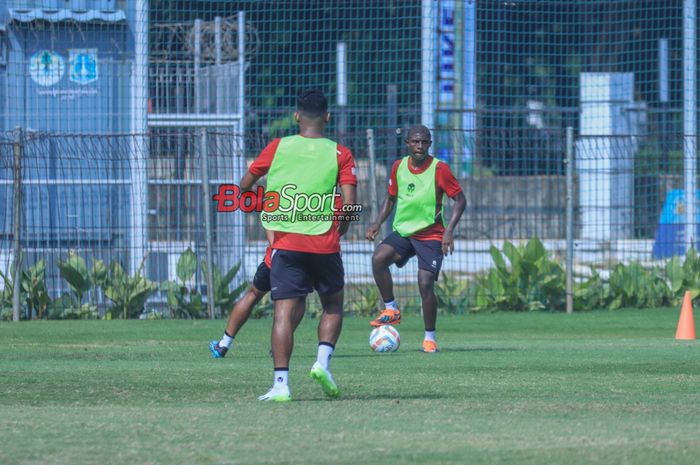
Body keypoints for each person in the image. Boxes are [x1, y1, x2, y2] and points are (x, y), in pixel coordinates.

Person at [239, 89, 357, 402]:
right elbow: (348, 204)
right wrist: (340, 229)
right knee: (332, 306)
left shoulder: (277, 147)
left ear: (296, 116)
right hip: (324, 244)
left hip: (286, 244)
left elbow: (244, 186)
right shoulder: (340, 153)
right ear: (327, 117)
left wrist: (267, 201)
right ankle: (322, 363)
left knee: (283, 314)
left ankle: (281, 385)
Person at [366, 124, 466, 353]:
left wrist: (448, 231)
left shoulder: (440, 169)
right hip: (404, 233)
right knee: (378, 258)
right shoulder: (398, 167)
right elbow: (390, 198)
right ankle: (391, 309)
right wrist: (377, 222)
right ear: (408, 143)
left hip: (431, 235)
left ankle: (429, 338)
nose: (420, 146)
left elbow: (461, 201)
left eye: (424, 142)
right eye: (416, 141)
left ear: (430, 144)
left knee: (425, 283)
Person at [208, 241, 305, 359]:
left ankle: (224, 344)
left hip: (277, 257)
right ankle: (279, 347)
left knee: (253, 294)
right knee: (300, 298)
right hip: (303, 257)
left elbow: (270, 230)